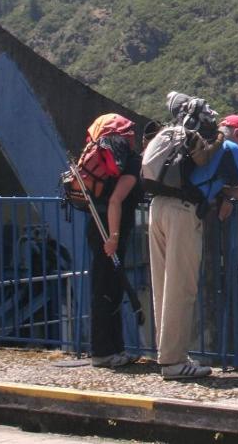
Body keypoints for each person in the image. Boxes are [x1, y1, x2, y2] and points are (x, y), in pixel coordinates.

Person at [148, 109, 238, 379]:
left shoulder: (188, 140)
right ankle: (173, 363)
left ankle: (168, 355)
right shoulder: (230, 147)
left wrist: (218, 192)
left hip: (157, 206)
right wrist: (227, 193)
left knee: (162, 286)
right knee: (181, 288)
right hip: (183, 213)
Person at [89, 127, 140, 368]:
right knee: (106, 289)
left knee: (109, 288)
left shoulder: (103, 156)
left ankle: (115, 349)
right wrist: (114, 237)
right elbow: (115, 200)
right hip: (109, 232)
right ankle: (102, 352)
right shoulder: (129, 161)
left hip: (96, 225)